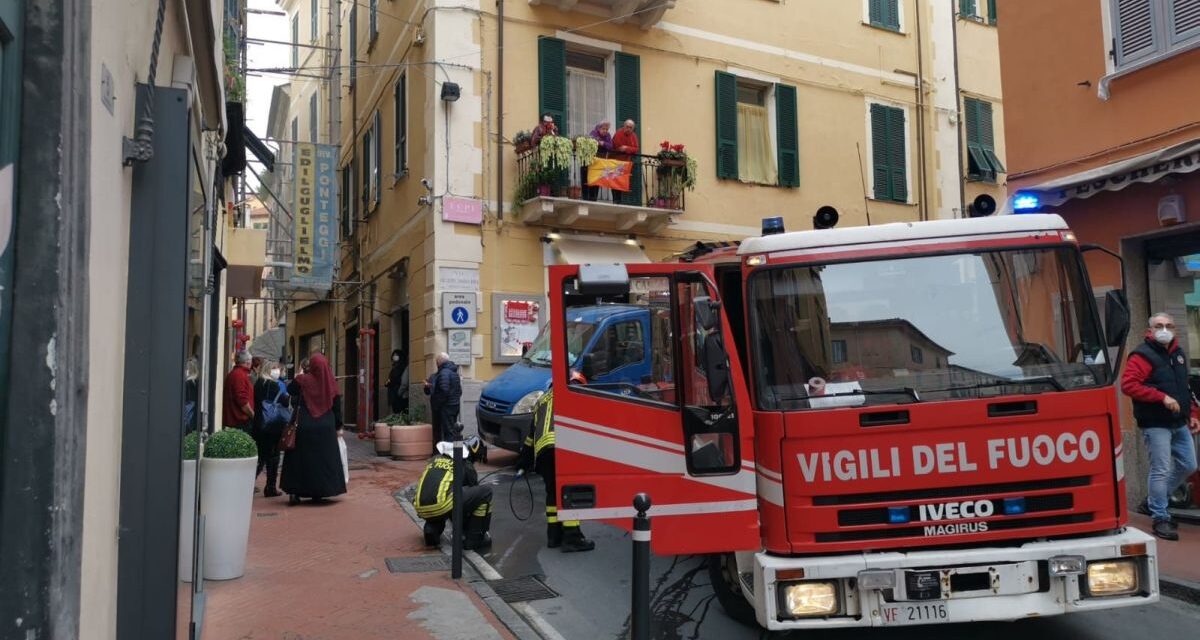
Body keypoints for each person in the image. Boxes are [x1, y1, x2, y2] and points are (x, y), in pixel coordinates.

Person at [1120, 312, 1200, 541]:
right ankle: (1160, 517)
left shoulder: (1178, 353)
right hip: (1156, 423)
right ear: (1150, 330)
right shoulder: (1142, 356)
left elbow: (1185, 387)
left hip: (1178, 421)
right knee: (1161, 467)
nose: (1164, 329)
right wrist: (1161, 397)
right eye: (1159, 326)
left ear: (1174, 329)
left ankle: (1154, 500)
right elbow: (1129, 385)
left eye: (1168, 325)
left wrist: (1192, 414)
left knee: (1189, 464)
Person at [518, 386, 595, 553]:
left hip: (543, 452)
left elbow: (531, 435)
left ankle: (554, 536)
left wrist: (524, 460)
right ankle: (572, 538)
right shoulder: (568, 394)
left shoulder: (540, 401)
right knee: (570, 491)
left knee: (552, 492)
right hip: (560, 447)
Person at [281, 353, 348, 504]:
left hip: (303, 424)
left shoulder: (303, 380)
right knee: (322, 460)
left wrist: (300, 374)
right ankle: (319, 491)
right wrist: (338, 427)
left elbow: (290, 390)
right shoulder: (331, 384)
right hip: (325, 427)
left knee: (298, 461)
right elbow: (337, 408)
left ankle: (295, 491)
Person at [414, 436, 493, 551]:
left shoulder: (435, 458)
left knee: (445, 493)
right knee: (485, 493)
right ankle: (474, 539)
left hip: (420, 507)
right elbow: (472, 499)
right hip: (442, 505)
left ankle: (431, 530)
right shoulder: (466, 464)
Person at [254, 361, 289, 498]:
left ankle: (249, 482)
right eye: (274, 368)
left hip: (259, 424)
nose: (277, 371)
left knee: (261, 456)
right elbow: (285, 401)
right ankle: (270, 487)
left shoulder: (258, 383)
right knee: (273, 457)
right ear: (268, 370)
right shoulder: (272, 385)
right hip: (272, 425)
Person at [424, 352, 463, 447]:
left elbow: (444, 391)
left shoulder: (443, 373)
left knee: (448, 431)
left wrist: (438, 403)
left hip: (446, 406)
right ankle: (454, 452)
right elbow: (459, 391)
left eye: (436, 362)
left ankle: (449, 455)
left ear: (438, 363)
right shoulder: (454, 373)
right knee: (453, 430)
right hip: (454, 405)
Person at [222, 351, 255, 431]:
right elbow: (242, 401)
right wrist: (252, 414)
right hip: (239, 421)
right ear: (247, 362)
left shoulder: (237, 374)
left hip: (236, 420)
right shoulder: (239, 375)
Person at [583, 121, 613, 201]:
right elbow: (590, 142)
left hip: (600, 162)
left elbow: (610, 146)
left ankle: (594, 198)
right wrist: (597, 142)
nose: (605, 131)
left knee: (597, 180)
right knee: (588, 180)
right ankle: (586, 198)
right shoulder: (594, 133)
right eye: (603, 129)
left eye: (607, 129)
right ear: (599, 128)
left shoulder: (608, 136)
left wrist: (603, 144)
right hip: (590, 161)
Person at [385, 349, 410, 415]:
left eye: (396, 355)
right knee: (396, 412)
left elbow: (403, 382)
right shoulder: (394, 368)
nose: (394, 356)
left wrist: (399, 393)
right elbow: (390, 380)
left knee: (399, 413)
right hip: (394, 395)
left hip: (399, 395)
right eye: (394, 355)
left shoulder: (402, 367)